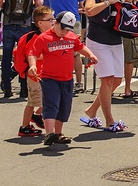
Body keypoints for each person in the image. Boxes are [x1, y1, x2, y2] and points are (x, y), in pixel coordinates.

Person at [80, 0, 138, 132]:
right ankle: (109, 120)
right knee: (107, 80)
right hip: (98, 42)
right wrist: (108, 2)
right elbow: (90, 10)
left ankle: (91, 110)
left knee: (116, 80)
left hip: (115, 40)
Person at [27, 11, 98, 146]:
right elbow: (33, 53)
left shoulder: (71, 37)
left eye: (67, 29)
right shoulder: (44, 38)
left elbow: (80, 46)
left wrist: (91, 55)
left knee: (64, 107)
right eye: (62, 28)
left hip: (66, 79)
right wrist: (33, 66)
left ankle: (58, 134)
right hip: (49, 78)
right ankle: (49, 134)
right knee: (51, 104)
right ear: (56, 23)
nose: (64, 32)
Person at [38, 0, 86, 92]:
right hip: (73, 21)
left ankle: (59, 79)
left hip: (57, 23)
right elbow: (82, 4)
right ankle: (78, 82)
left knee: (56, 51)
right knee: (75, 53)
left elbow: (45, 6)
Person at [1, 0, 43, 99]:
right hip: (24, 26)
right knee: (24, 56)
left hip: (8, 24)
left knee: (6, 56)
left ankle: (6, 87)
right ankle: (24, 87)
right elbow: (40, 2)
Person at [14, 5, 54, 138]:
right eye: (50, 19)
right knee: (34, 102)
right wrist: (52, 52)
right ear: (40, 23)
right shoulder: (36, 37)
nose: (53, 22)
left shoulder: (46, 35)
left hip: (43, 73)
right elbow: (32, 54)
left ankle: (33, 119)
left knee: (42, 100)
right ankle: (26, 125)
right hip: (35, 75)